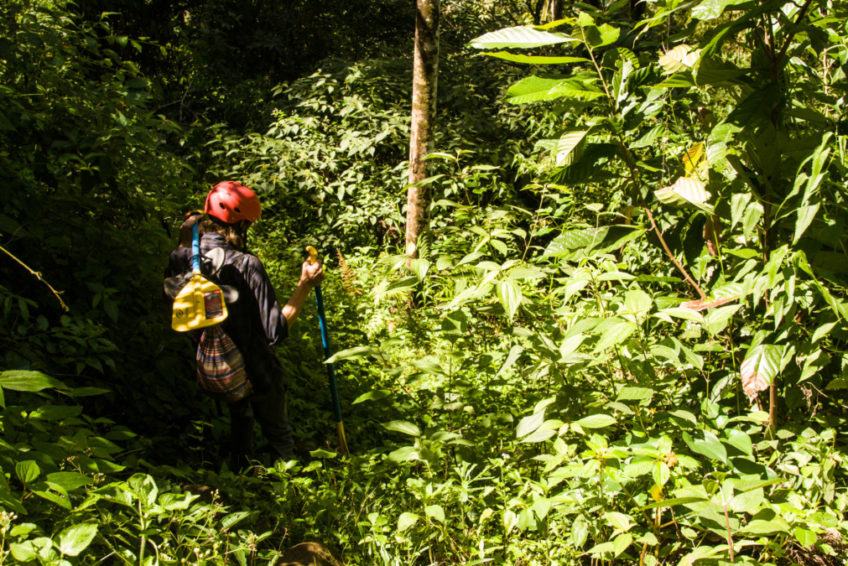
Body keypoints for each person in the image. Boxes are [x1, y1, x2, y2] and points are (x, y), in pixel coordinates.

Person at [166, 181, 324, 468]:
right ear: (241, 225)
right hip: (256, 370)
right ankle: (287, 489)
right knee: (279, 435)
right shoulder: (246, 263)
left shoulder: (180, 257)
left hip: (213, 364)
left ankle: (241, 473)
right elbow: (274, 332)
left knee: (240, 415)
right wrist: (304, 285)